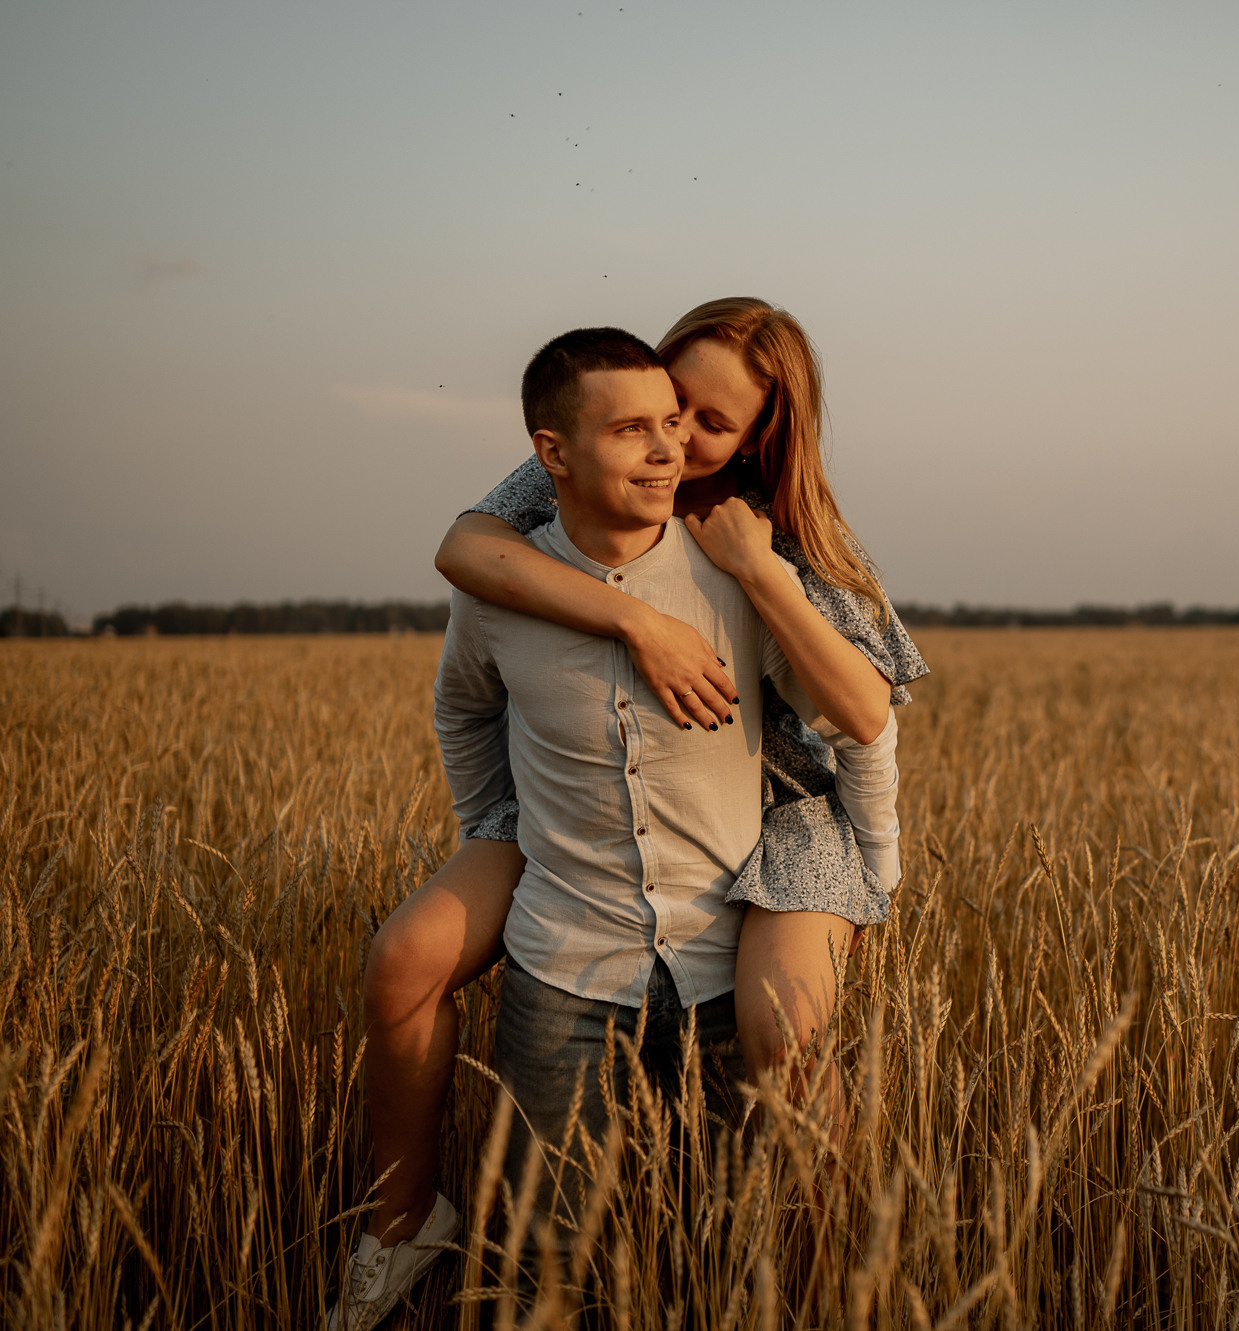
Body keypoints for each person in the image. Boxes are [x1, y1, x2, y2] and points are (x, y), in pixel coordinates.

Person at [325, 312, 926, 1329]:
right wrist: (505, 806)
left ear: (757, 442)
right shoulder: (568, 480)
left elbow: (866, 717)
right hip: (577, 851)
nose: (675, 440)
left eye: (706, 423)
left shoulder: (767, 535)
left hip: (780, 813)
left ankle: (838, 1283)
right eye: (660, 408)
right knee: (408, 959)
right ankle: (399, 1223)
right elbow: (465, 556)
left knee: (783, 1038)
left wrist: (874, 859)